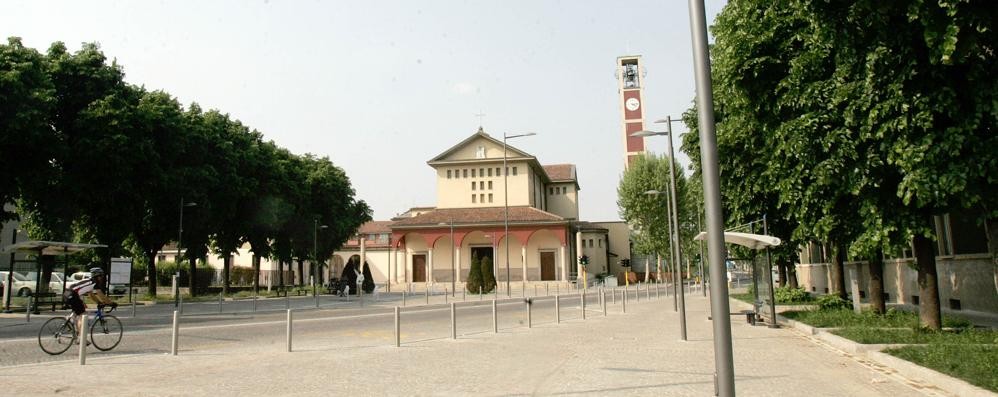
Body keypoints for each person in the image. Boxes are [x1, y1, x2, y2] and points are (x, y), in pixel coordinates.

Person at [64, 267, 116, 336]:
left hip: (68, 293)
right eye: (101, 276)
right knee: (83, 315)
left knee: (79, 311)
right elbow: (101, 295)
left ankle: (72, 324)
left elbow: (91, 295)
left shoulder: (89, 281)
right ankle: (81, 338)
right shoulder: (94, 283)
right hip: (73, 295)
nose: (101, 278)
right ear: (97, 276)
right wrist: (111, 303)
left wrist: (99, 302)